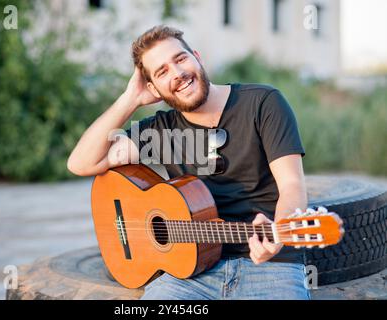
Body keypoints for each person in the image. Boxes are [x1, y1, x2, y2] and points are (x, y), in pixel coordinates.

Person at [67, 25, 310, 300]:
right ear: (153, 88)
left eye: (180, 59)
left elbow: (292, 185)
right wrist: (129, 100)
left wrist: (279, 233)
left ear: (197, 57)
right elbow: (82, 163)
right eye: (162, 72)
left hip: (270, 265)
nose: (177, 74)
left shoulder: (263, 103)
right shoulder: (159, 131)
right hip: (190, 272)